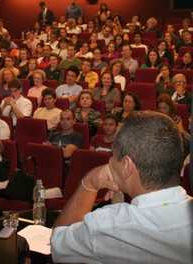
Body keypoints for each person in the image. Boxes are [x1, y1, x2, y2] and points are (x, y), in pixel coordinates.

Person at [51, 111, 192, 264]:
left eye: (113, 155)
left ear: (127, 166)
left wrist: (89, 183)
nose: (110, 161)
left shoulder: (107, 225)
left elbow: (58, 244)